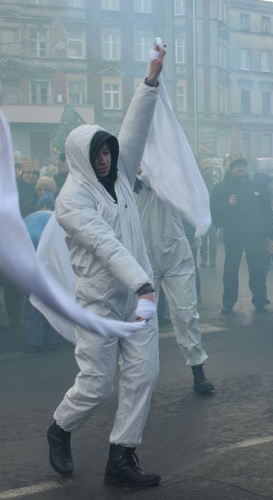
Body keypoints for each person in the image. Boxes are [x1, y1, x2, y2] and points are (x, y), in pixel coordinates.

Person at [46, 44, 166, 487]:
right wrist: (142, 282)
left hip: (139, 299)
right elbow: (106, 244)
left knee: (143, 375)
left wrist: (150, 81)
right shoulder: (70, 201)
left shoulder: (120, 174)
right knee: (96, 386)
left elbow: (135, 129)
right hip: (100, 304)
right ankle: (59, 429)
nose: (105, 158)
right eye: (97, 153)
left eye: (108, 151)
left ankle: (122, 456)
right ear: (82, 157)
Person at [134, 173, 215, 394]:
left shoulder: (167, 173)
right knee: (141, 319)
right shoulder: (124, 175)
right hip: (143, 258)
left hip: (175, 255)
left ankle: (198, 372)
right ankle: (134, 379)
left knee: (186, 315)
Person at [210, 153, 273, 314]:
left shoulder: (256, 185)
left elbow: (266, 210)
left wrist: (268, 231)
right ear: (231, 168)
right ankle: (228, 302)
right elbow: (213, 210)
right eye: (238, 165)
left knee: (257, 269)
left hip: (255, 234)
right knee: (231, 270)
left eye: (244, 165)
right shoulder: (221, 187)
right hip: (234, 235)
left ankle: (260, 300)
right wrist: (228, 204)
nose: (242, 168)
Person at [23, 193, 64, 353]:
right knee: (35, 308)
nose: (45, 210)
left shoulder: (58, 225)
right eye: (42, 207)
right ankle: (34, 342)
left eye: (48, 207)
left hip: (52, 273)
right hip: (35, 274)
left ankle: (53, 339)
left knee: (53, 309)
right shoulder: (31, 223)